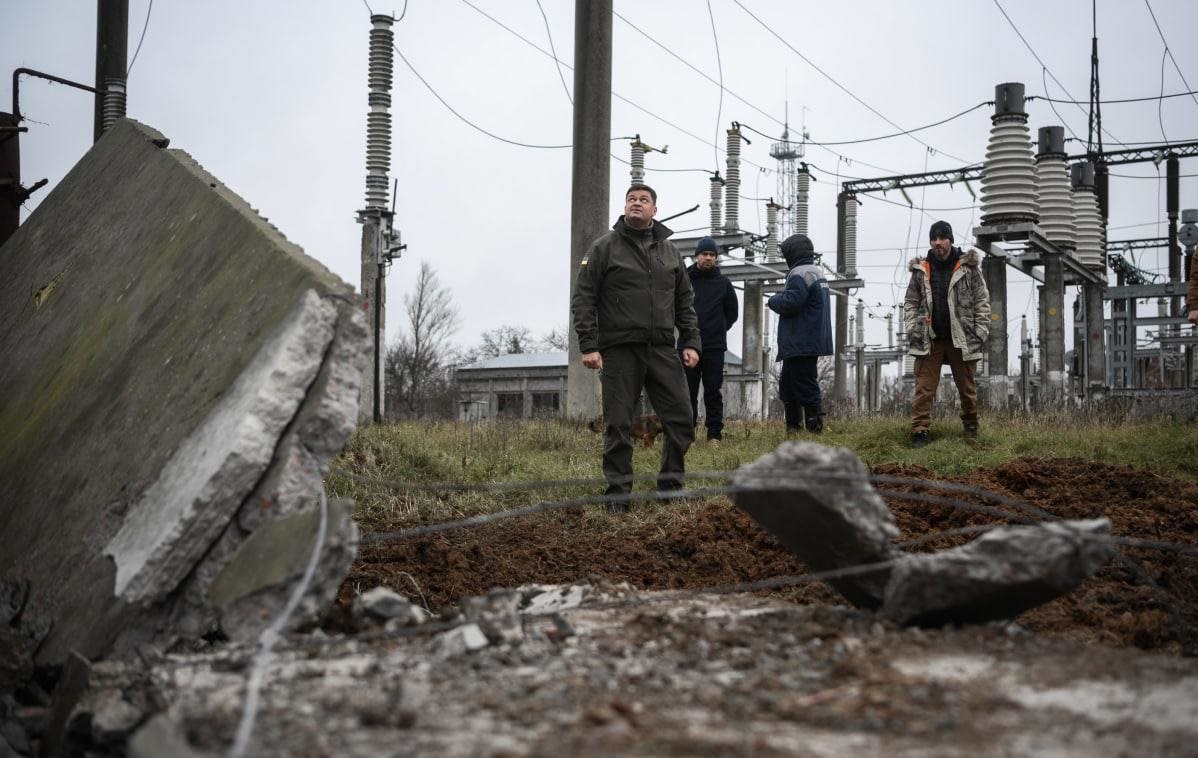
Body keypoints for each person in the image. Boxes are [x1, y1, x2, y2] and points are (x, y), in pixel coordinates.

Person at [571, 184, 701, 510]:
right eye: (631, 199)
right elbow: (583, 298)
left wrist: (691, 341)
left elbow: (685, 302)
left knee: (682, 419)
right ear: (625, 206)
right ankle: (618, 495)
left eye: (644, 200)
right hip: (619, 349)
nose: (637, 203)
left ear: (654, 210)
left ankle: (670, 487)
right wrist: (588, 345)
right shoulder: (604, 248)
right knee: (618, 424)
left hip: (661, 349)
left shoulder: (670, 252)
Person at [903, 220, 991, 448]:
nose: (937, 243)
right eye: (934, 239)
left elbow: (982, 300)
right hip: (929, 339)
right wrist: (913, 326)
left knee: (967, 388)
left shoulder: (968, 268)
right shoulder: (921, 270)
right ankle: (920, 431)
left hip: (962, 338)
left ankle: (971, 427)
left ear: (950, 240)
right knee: (924, 388)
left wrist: (980, 331)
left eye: (942, 238)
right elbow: (911, 301)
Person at [768, 234, 832, 433]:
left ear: (792, 253)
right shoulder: (816, 272)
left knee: (804, 383)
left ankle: (814, 429)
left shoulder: (799, 274)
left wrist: (773, 299)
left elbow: (791, 302)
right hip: (808, 339)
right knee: (788, 385)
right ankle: (794, 428)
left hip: (801, 341)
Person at [682, 236, 738, 445]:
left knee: (713, 391)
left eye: (712, 255)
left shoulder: (724, 284)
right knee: (687, 391)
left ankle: (714, 434)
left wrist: (718, 329)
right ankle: (687, 434)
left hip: (714, 346)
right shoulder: (685, 280)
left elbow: (732, 313)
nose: (708, 258)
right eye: (705, 254)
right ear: (697, 256)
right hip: (688, 344)